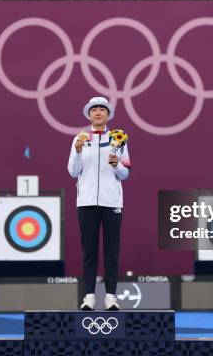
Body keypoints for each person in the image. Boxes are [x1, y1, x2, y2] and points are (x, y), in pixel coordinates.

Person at [67, 97, 131, 311]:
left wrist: (116, 166)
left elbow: (125, 173)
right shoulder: (80, 138)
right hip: (86, 202)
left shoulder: (118, 138)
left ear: (107, 114)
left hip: (112, 201)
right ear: (89, 115)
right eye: (93, 110)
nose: (97, 113)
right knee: (89, 251)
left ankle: (111, 297)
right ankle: (89, 297)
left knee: (112, 250)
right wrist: (77, 150)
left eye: (101, 110)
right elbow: (73, 171)